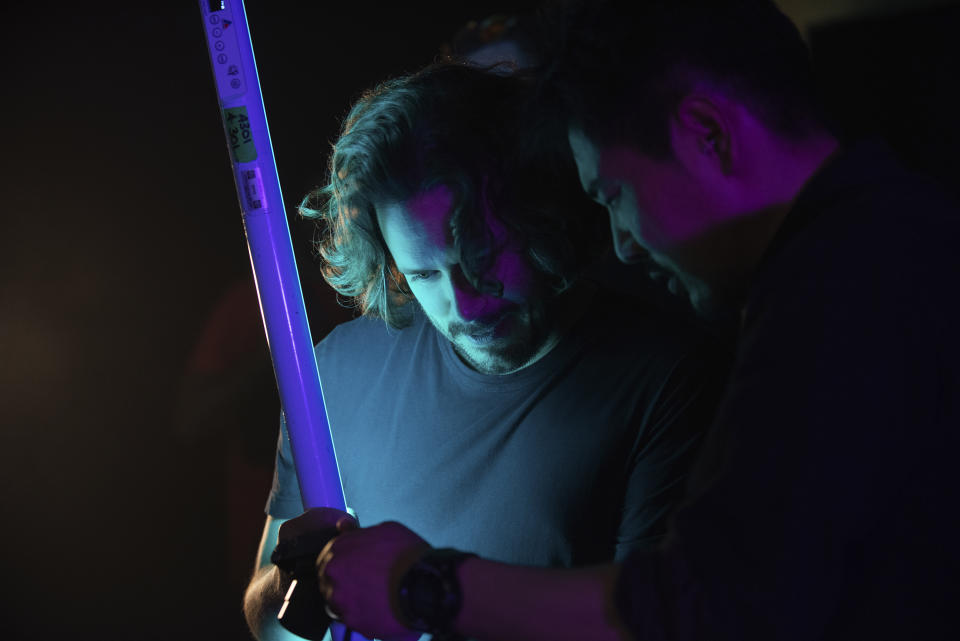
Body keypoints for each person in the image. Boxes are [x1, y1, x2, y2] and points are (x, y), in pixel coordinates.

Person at [309, 1, 960, 640]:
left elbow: (701, 606)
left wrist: (421, 583)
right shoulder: (885, 248)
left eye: (615, 196)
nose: (621, 243)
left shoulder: (844, 289)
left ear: (707, 132)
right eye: (426, 273)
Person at [242, 62, 730, 640]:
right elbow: (266, 624)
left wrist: (417, 588)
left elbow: (656, 625)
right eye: (424, 275)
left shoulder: (668, 376)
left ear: (541, 216)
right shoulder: (332, 375)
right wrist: (293, 585)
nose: (464, 305)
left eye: (483, 258)